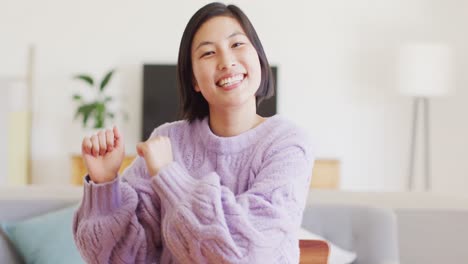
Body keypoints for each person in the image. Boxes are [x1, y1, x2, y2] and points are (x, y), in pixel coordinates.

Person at [73, 2, 314, 263]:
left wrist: (169, 177)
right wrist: (105, 184)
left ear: (258, 57)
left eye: (237, 45)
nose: (226, 61)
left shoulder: (287, 143)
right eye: (208, 53)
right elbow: (119, 258)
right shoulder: (167, 140)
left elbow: (250, 253)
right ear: (194, 81)